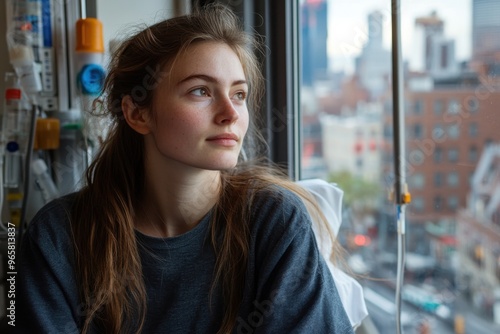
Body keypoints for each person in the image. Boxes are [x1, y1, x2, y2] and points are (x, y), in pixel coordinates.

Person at [15, 4, 355, 334]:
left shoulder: (274, 222)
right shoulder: (58, 237)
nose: (230, 113)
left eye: (239, 94)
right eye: (200, 91)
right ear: (137, 114)